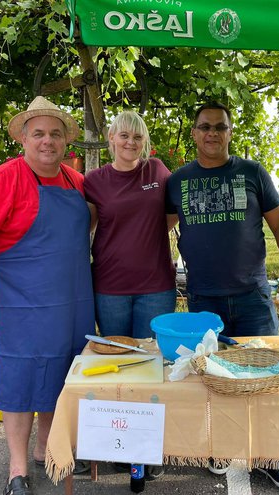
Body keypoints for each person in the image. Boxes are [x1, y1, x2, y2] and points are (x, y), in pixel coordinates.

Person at [165, 101, 279, 491]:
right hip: (203, 300)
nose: (212, 133)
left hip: (252, 296)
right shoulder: (177, 181)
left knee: (269, 375)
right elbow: (158, 230)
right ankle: (217, 448)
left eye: (220, 126)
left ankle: (269, 457)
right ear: (194, 133)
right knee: (211, 378)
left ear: (230, 132)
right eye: (205, 126)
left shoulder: (252, 172)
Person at [0, 96, 94, 495]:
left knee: (60, 374)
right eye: (38, 133)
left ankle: (45, 450)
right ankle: (17, 469)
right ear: (23, 138)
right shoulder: (3, 179)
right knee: (20, 380)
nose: (47, 141)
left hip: (70, 301)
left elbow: (90, 225)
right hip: (19, 301)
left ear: (65, 141)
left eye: (55, 134)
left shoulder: (76, 181)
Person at [84, 110, 176, 339]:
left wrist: (149, 232)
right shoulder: (95, 180)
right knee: (117, 357)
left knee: (152, 358)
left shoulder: (157, 169)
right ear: (112, 137)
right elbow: (87, 227)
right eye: (124, 135)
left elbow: (174, 212)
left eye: (137, 137)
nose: (130, 142)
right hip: (110, 288)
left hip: (157, 287)